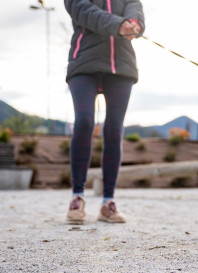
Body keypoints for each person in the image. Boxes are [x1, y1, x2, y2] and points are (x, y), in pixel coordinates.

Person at [64, 0, 145, 223]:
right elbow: (84, 11)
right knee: (84, 121)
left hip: (121, 66)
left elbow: (133, 5)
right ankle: (77, 196)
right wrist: (119, 25)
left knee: (114, 129)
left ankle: (108, 202)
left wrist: (133, 23)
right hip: (84, 63)